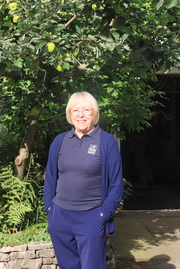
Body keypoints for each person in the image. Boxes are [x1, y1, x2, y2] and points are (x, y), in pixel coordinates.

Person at [43, 91, 123, 269]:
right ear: (69, 114)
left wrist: (102, 214)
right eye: (75, 110)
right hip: (60, 216)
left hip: (91, 216)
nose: (80, 115)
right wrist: (50, 208)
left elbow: (116, 184)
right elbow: (50, 177)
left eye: (86, 110)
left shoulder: (107, 142)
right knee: (67, 266)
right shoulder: (60, 140)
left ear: (94, 113)